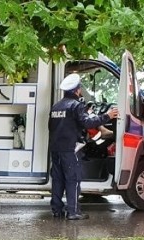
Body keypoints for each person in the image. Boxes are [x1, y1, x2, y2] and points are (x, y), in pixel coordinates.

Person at [49, 74, 119, 220]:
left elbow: (51, 126)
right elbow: (87, 123)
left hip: (56, 148)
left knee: (58, 180)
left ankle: (57, 210)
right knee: (72, 180)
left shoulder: (56, 106)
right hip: (71, 149)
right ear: (77, 90)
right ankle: (73, 212)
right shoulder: (76, 105)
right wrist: (107, 116)